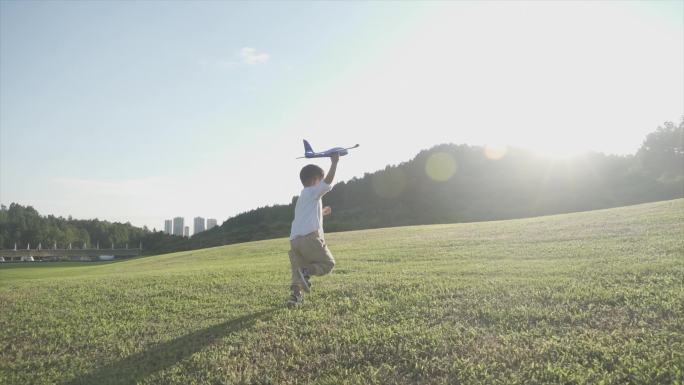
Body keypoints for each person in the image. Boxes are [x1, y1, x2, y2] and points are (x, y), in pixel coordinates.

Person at [287, 153, 340, 307]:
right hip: (309, 238)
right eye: (319, 179)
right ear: (313, 180)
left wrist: (322, 212)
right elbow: (327, 183)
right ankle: (306, 271)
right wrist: (334, 163)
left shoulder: (303, 197)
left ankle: (295, 298)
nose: (321, 183)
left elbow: (306, 215)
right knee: (328, 264)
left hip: (294, 241)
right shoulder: (312, 191)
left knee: (297, 273)